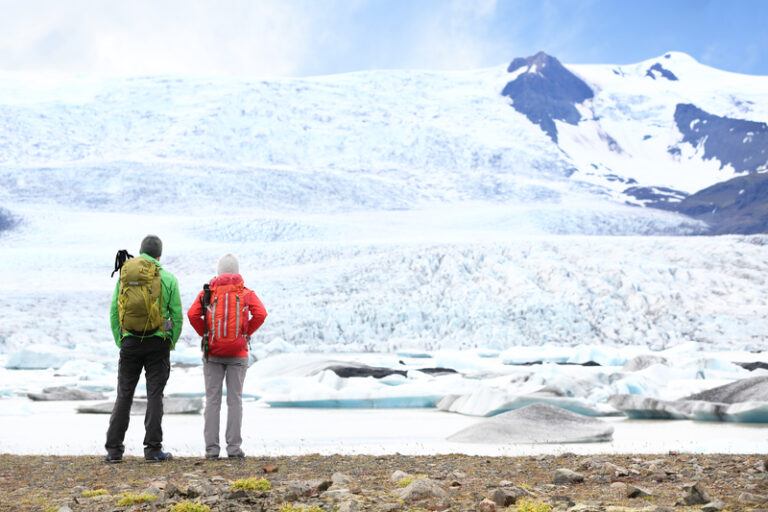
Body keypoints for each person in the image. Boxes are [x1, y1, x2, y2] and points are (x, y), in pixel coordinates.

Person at [105, 235, 183, 463]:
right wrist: (170, 341)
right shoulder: (167, 278)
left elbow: (113, 313)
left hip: (130, 341)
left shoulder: (125, 276)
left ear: (141, 252)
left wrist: (122, 339)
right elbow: (176, 316)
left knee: (124, 394)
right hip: (157, 343)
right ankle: (152, 450)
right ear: (159, 255)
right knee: (155, 395)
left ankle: (114, 450)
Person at [187, 253, 267, 459]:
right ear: (237, 271)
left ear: (219, 271)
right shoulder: (246, 293)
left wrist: (206, 334)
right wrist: (245, 333)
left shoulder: (207, 293)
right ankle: (234, 449)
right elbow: (261, 314)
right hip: (238, 353)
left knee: (212, 401)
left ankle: (212, 450)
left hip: (212, 352)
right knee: (235, 400)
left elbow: (192, 314)